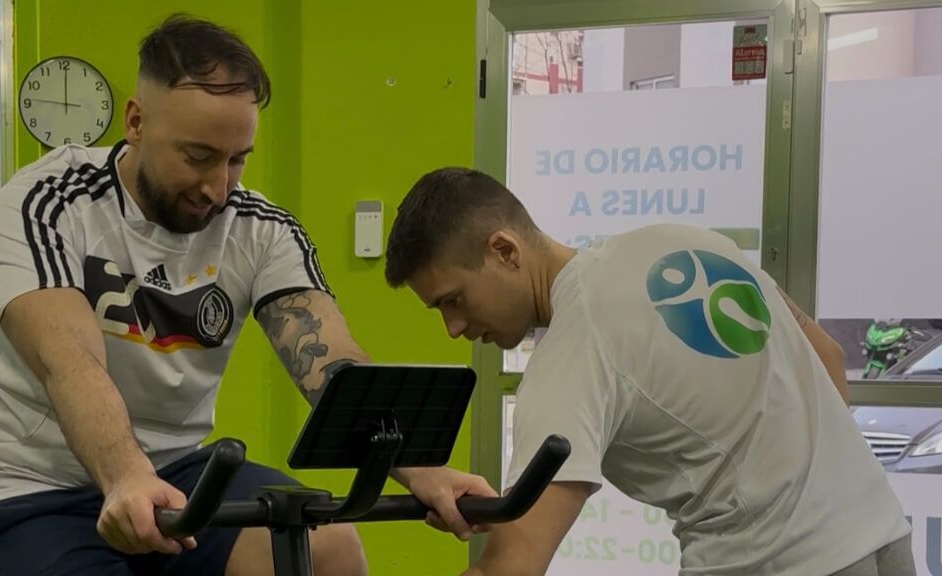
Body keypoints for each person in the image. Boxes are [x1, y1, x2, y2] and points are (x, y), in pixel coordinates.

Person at [0, 16, 493, 576]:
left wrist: (420, 468)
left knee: (329, 550)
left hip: (180, 474)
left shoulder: (260, 229)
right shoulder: (50, 204)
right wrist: (124, 475)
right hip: (37, 491)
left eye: (237, 159)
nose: (218, 186)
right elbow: (68, 360)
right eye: (197, 156)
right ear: (135, 122)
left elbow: (331, 361)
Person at [383, 167, 915, 576]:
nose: (453, 327)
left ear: (504, 250)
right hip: (882, 537)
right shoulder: (683, 241)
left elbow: (513, 567)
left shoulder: (574, 352)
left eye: (453, 300)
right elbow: (827, 358)